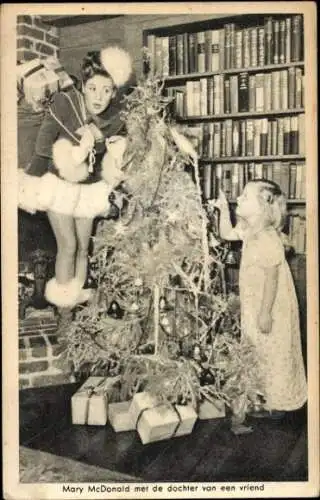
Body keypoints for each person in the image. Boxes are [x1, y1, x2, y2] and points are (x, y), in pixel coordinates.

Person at [18, 47, 134, 312]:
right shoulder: (64, 103)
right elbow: (42, 147)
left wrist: (110, 145)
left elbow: (116, 141)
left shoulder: (113, 117)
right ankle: (64, 312)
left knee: (83, 248)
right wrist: (76, 148)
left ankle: (77, 312)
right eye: (93, 88)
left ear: (114, 92)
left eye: (107, 90)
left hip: (88, 189)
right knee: (68, 245)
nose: (99, 97)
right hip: (58, 184)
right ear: (83, 85)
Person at [214, 179, 307, 417]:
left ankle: (277, 402)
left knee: (274, 350)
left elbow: (272, 279)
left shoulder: (267, 237)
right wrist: (224, 209)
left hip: (271, 305)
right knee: (257, 348)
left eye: (246, 196)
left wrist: (265, 313)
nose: (240, 198)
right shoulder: (248, 230)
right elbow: (225, 233)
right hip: (255, 301)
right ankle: (262, 395)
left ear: (263, 208)